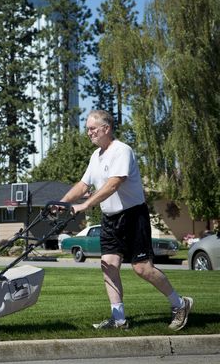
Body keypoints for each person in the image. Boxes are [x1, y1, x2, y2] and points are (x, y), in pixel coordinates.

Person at [61, 109, 193, 330]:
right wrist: (62, 202)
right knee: (108, 265)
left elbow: (114, 184)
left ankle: (180, 304)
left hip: (133, 216)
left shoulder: (122, 151)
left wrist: (86, 204)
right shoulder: (96, 156)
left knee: (142, 268)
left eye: (92, 129)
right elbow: (83, 185)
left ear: (106, 128)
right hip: (110, 219)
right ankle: (119, 319)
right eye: (87, 130)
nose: (89, 133)